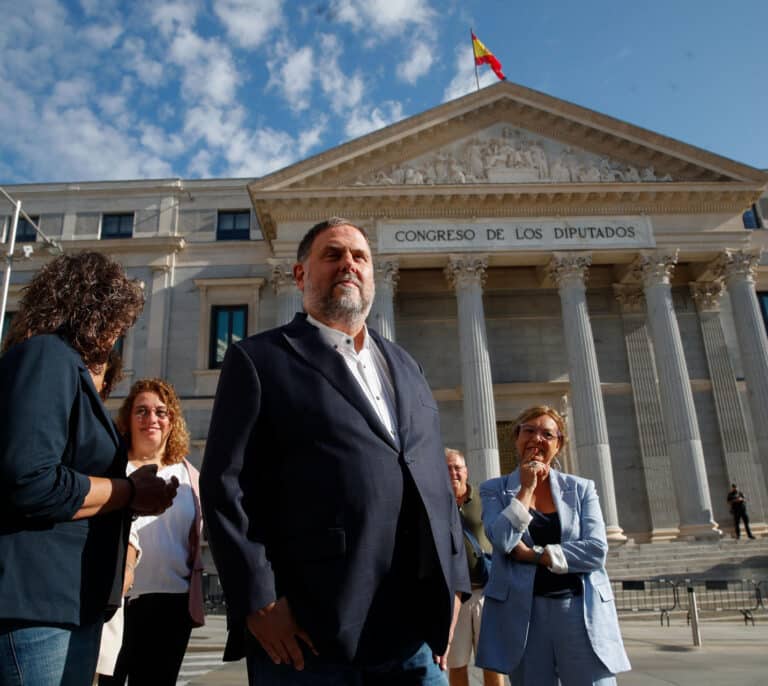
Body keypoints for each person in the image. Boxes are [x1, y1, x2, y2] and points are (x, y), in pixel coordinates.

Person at [201, 217, 470, 685]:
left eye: (360, 256)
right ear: (300, 274)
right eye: (333, 254)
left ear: (372, 275)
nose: (349, 263)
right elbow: (226, 485)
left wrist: (456, 587)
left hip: (413, 635)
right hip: (310, 631)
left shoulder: (407, 365)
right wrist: (258, 599)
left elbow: (434, 484)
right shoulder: (260, 359)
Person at [0, 252, 177, 686]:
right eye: (118, 320)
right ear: (94, 309)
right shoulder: (46, 356)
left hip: (70, 604)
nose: (119, 336)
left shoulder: (63, 365)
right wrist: (130, 492)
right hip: (37, 606)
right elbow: (31, 481)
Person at [476, 405, 630, 686]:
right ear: (516, 438)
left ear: (558, 445)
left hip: (580, 612)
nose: (537, 439)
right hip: (524, 617)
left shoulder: (582, 489)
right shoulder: (494, 489)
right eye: (529, 431)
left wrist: (535, 555)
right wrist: (526, 489)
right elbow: (502, 540)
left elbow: (596, 550)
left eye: (547, 434)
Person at [101, 378, 205, 685]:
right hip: (113, 605)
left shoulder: (190, 477)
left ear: (172, 421)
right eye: (141, 411)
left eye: (161, 412)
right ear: (128, 419)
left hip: (170, 606)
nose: (152, 419)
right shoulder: (112, 470)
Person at [444, 449, 504, 686]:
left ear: (466, 471)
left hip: (486, 593)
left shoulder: (484, 499)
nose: (453, 473)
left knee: (492, 663)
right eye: (447, 468)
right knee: (456, 665)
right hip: (455, 597)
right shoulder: (435, 501)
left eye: (457, 467)